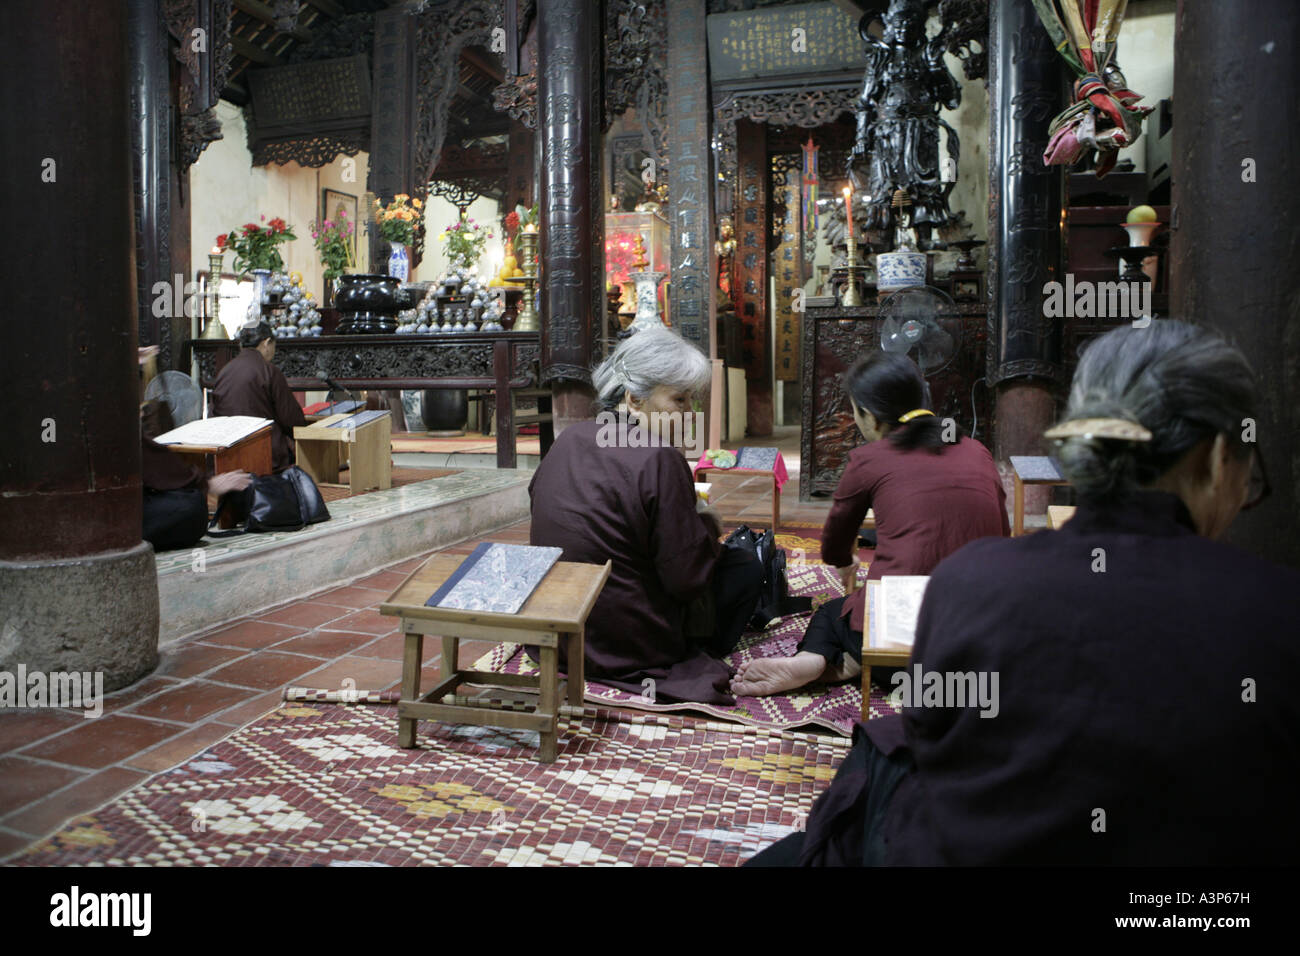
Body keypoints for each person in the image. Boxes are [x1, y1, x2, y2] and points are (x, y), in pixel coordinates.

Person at [748, 320, 1300, 866]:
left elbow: (935, 741)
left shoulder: (972, 580)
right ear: (1218, 457)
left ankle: (828, 656)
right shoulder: (1278, 611)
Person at [732, 351, 1008, 697]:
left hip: (899, 648)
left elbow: (833, 546)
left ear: (872, 418)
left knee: (835, 611)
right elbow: (1002, 536)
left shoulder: (870, 459)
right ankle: (855, 662)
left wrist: (847, 563)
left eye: (855, 412)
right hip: (981, 645)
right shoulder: (976, 450)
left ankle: (816, 660)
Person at [527, 329, 763, 704]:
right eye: (679, 400)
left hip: (559, 632)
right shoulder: (658, 457)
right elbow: (686, 578)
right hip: (630, 645)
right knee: (746, 564)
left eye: (691, 402)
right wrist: (706, 525)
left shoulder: (569, 439)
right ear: (634, 399)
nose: (689, 414)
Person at [210, 321, 306, 472]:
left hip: (228, 455)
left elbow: (213, 415)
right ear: (267, 343)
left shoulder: (224, 372)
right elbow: (291, 418)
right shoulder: (268, 371)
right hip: (266, 455)